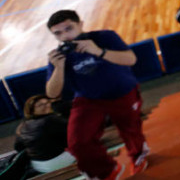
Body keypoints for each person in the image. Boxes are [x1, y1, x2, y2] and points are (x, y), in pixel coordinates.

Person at [45, 10, 150, 179]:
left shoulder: (104, 37)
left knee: (131, 130)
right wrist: (58, 68)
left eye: (69, 28)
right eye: (58, 33)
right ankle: (107, 170)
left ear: (80, 24)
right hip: (88, 99)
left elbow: (131, 60)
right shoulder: (58, 56)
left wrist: (99, 51)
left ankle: (138, 155)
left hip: (121, 92)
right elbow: (52, 93)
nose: (65, 36)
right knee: (77, 142)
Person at [14, 95, 75, 173]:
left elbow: (18, 147)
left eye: (47, 102)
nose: (46, 106)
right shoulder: (51, 120)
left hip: (37, 165)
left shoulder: (22, 126)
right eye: (40, 105)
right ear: (32, 110)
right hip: (58, 162)